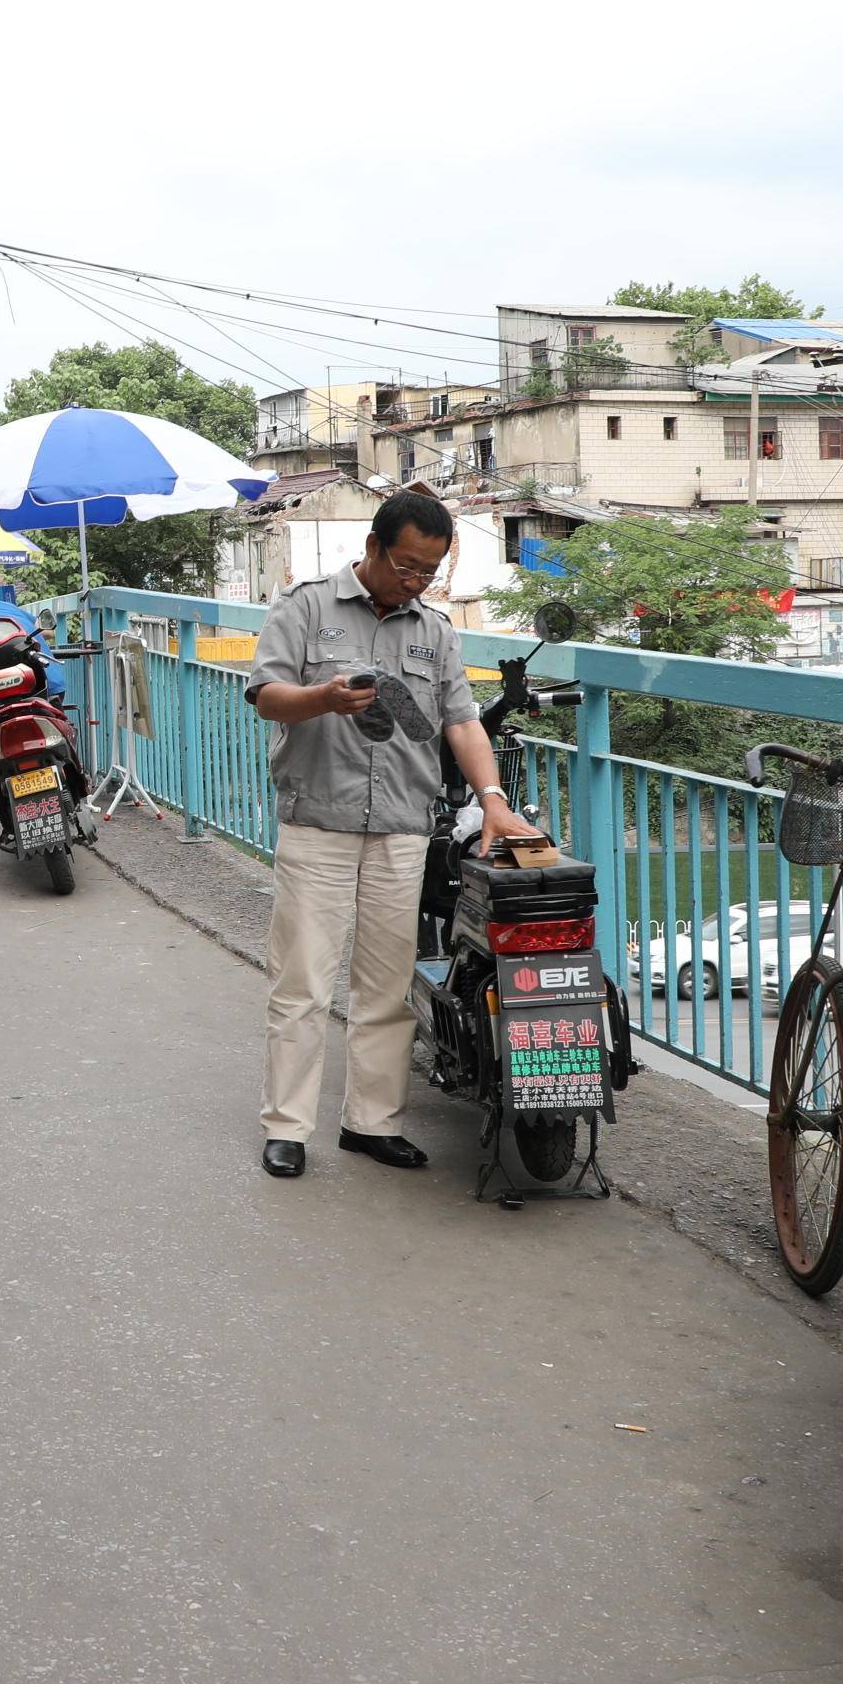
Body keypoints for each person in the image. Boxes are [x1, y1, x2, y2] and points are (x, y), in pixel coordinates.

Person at [243, 491, 532, 1180]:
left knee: (385, 986)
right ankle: (287, 1126)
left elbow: (461, 720)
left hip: (402, 826)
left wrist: (493, 799)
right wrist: (324, 700)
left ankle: (371, 1123)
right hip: (319, 822)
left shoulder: (435, 630)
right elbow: (264, 695)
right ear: (372, 548)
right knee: (304, 982)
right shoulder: (306, 606)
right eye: (406, 565)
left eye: (429, 570)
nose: (416, 581)